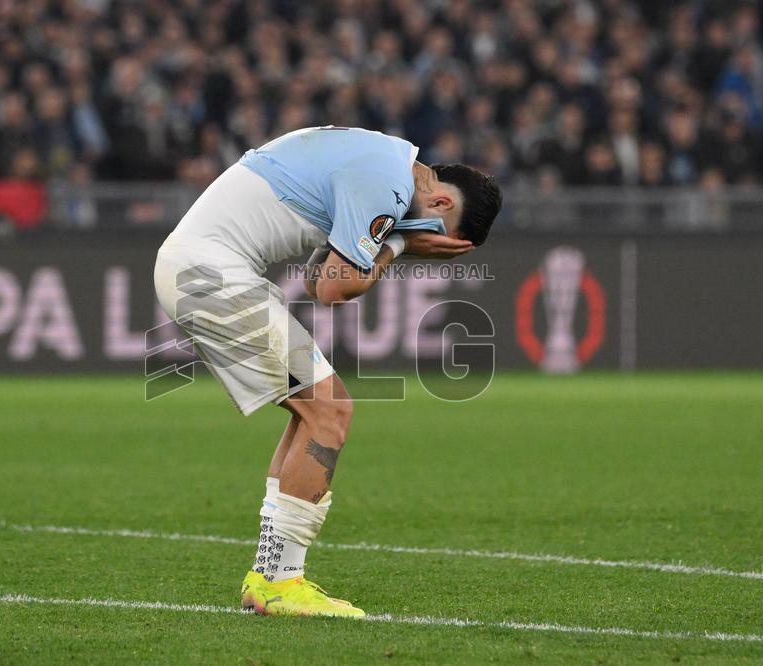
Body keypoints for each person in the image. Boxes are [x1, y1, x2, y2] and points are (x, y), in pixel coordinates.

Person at [153, 126, 502, 618]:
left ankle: (269, 576)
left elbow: (319, 284)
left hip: (199, 267)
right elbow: (338, 290)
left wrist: (393, 240)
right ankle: (280, 582)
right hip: (210, 273)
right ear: (441, 202)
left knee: (311, 414)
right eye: (439, 236)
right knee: (330, 412)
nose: (426, 242)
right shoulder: (390, 184)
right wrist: (401, 246)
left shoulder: (380, 159)